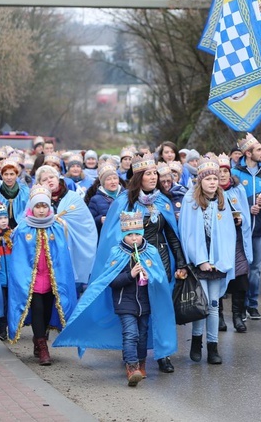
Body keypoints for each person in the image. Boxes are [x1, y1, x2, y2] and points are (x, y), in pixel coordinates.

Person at [53, 211, 177, 385]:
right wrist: (130, 275)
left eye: (137, 235)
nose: (134, 239)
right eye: (130, 235)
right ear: (123, 235)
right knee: (130, 334)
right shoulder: (117, 253)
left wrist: (151, 278)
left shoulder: (151, 252)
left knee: (142, 335)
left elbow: (160, 278)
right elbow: (111, 280)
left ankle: (141, 362)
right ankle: (131, 366)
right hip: (124, 302)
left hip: (145, 302)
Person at [93, 154, 186, 373]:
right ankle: (132, 354)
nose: (153, 177)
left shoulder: (163, 200)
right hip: (133, 264)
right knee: (136, 310)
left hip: (161, 262)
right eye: (148, 174)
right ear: (138, 177)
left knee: (161, 310)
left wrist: (181, 262)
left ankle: (163, 354)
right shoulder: (125, 202)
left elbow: (172, 234)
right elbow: (112, 236)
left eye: (155, 173)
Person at [8, 185, 78, 365]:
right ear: (32, 207)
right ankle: (43, 346)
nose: (41, 210)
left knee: (47, 310)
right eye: (37, 206)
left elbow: (63, 255)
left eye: (44, 206)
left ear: (49, 207)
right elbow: (18, 258)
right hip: (31, 278)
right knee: (37, 308)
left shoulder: (57, 226)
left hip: (52, 278)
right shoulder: (23, 228)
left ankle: (38, 339)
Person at [179, 157, 236, 365]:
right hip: (199, 262)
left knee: (213, 304)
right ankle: (196, 341)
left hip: (218, 260)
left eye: (215, 178)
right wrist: (200, 260)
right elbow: (188, 234)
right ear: (200, 181)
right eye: (208, 179)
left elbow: (229, 233)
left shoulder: (223, 201)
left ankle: (213, 346)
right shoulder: (190, 201)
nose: (213, 182)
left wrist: (221, 260)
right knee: (199, 304)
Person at [231, 133, 261, 321]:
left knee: (256, 268)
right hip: (240, 231)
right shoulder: (236, 174)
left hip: (259, 229)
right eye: (258, 150)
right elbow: (230, 199)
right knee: (243, 267)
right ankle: (239, 305)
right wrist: (248, 208)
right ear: (248, 153)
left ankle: (252, 304)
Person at [217, 153, 252, 333]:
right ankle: (219, 317)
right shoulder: (212, 192)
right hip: (219, 244)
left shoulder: (238, 190)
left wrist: (241, 221)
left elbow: (245, 214)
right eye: (219, 171)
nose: (223, 174)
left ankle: (238, 316)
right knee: (220, 279)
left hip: (237, 242)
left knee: (240, 279)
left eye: (225, 171)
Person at [85, 162, 125, 235]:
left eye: (115, 178)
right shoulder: (95, 200)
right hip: (107, 237)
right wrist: (99, 220)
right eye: (108, 179)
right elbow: (89, 222)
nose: (113, 182)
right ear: (103, 183)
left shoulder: (126, 195)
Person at [0, 200, 12, 340]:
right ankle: (2, 330)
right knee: (2, 304)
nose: (3, 221)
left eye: (5, 217)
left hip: (12, 277)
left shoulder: (12, 236)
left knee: (11, 304)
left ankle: (12, 329)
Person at [0, 159, 29, 228]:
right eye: (6, 174)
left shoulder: (25, 191)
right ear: (2, 176)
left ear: (16, 175)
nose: (9, 178)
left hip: (21, 228)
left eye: (12, 174)